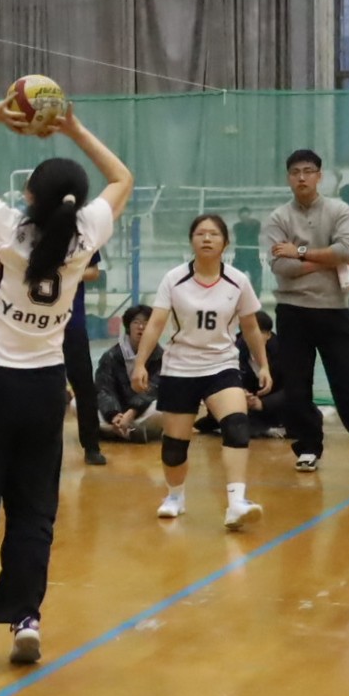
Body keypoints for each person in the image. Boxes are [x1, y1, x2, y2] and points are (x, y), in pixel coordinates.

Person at [0, 98, 131, 666]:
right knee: (34, 508)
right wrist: (75, 128)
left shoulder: (4, 228)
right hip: (45, 388)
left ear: (29, 196)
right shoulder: (86, 234)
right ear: (75, 201)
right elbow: (122, 178)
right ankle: (25, 616)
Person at [262, 150, 349, 474]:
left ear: (319, 175)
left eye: (308, 171)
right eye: (295, 172)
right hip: (292, 309)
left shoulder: (338, 210)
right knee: (297, 386)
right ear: (288, 177)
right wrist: (325, 260)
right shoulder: (278, 217)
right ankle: (308, 447)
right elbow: (281, 266)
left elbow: (346, 251)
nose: (302, 177)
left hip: (333, 309)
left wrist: (300, 252)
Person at [132, 215, 269, 529]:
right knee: (174, 446)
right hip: (180, 367)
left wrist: (263, 364)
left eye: (214, 234)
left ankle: (236, 502)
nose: (207, 239)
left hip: (221, 365)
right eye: (200, 234)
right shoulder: (174, 279)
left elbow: (250, 327)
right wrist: (140, 363)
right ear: (191, 240)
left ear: (225, 242)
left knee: (236, 425)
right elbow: (156, 323)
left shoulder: (238, 280)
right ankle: (175, 496)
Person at [197, 309, 288, 438]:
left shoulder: (284, 352)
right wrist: (240, 394)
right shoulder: (233, 350)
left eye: (258, 333)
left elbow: (292, 388)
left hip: (273, 405)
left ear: (268, 334)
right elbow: (218, 381)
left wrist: (263, 404)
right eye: (248, 333)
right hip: (244, 406)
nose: (253, 337)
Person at [94, 305, 163, 443]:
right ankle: (127, 431)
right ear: (128, 326)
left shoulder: (161, 356)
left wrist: (132, 412)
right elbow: (104, 389)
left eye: (146, 323)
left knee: (164, 408)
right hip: (117, 411)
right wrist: (114, 414)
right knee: (76, 404)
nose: (141, 327)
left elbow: (155, 388)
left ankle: (112, 431)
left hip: (143, 412)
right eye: (136, 322)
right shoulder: (111, 355)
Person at [63, 252, 107, 464]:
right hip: (38, 325)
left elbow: (94, 272)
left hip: (72, 323)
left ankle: (91, 446)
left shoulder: (82, 237)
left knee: (83, 385)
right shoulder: (30, 236)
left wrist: (67, 273)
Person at [231, 206, 263, 297]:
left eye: (246, 216)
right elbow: (240, 236)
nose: (244, 218)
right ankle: (234, 295)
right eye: (242, 217)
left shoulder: (256, 224)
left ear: (249, 215)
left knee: (256, 276)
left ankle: (256, 297)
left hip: (253, 256)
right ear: (239, 217)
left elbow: (255, 231)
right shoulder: (237, 226)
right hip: (240, 256)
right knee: (234, 275)